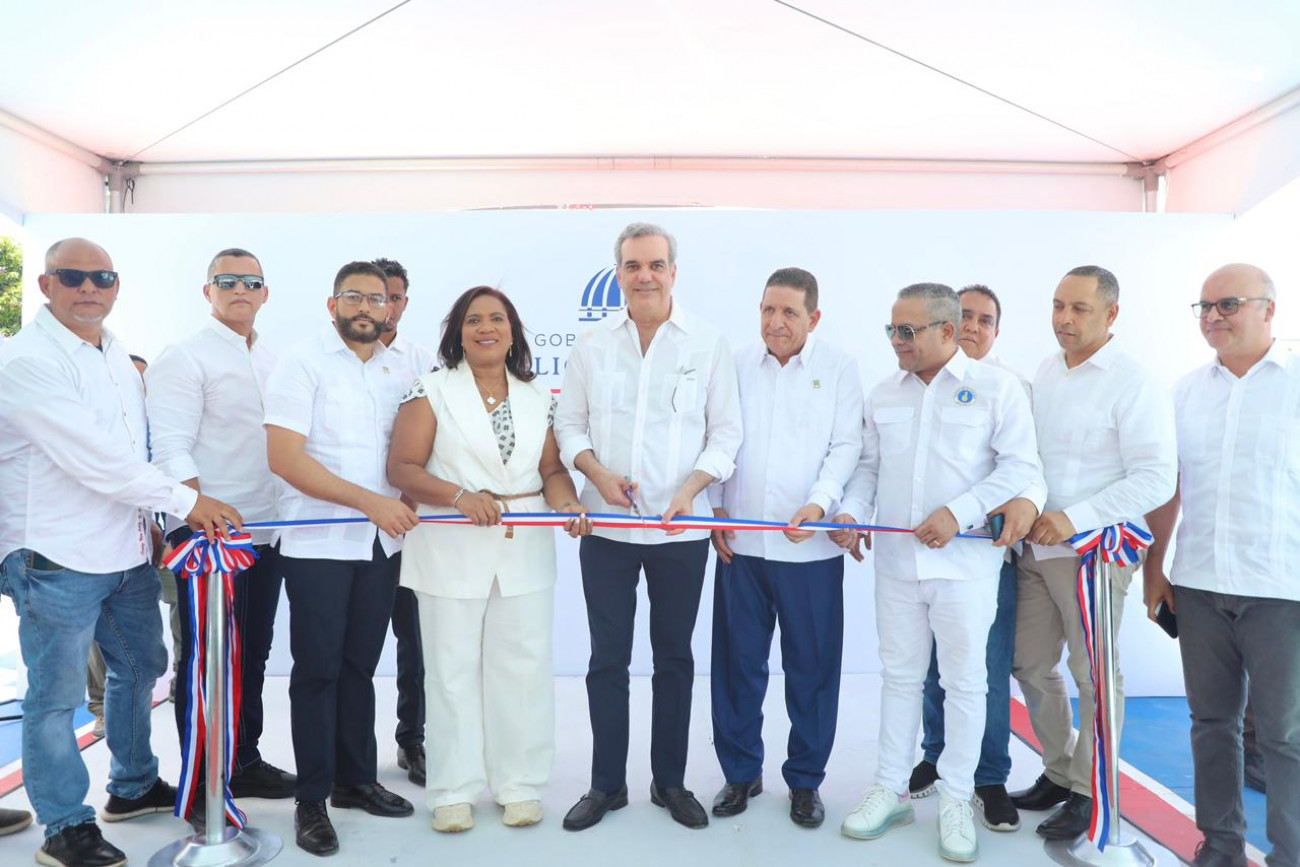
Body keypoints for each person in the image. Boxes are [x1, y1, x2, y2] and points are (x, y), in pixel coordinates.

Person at [0, 237, 242, 867]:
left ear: (115, 286)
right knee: (54, 698)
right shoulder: (27, 360)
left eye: (102, 277)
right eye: (72, 275)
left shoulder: (113, 353)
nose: (89, 287)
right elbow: (95, 460)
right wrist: (189, 503)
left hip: (126, 550)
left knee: (141, 667)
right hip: (54, 557)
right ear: (46, 284)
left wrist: (153, 522)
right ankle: (64, 828)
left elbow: (134, 451)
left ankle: (132, 787)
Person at [831, 282, 1038, 863]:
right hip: (897, 566)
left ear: (947, 331)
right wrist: (851, 513)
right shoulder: (883, 393)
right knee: (899, 677)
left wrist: (960, 512)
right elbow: (868, 470)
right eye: (892, 330)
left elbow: (1021, 469)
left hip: (966, 568)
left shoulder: (997, 389)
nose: (896, 341)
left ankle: (956, 798)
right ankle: (891, 790)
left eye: (908, 331)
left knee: (966, 683)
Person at [555, 222, 743, 831]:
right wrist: (596, 473)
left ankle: (670, 783)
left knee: (674, 660)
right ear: (618, 275)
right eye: (633, 266)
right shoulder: (591, 345)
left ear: (673, 272)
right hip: (607, 531)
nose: (645, 276)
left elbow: (726, 434)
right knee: (606, 661)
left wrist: (692, 490)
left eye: (656, 265)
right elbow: (569, 425)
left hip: (679, 534)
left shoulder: (707, 344)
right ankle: (606, 785)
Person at [389, 285, 591, 832]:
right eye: (474, 319)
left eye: (497, 319)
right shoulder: (430, 390)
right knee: (451, 672)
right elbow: (402, 468)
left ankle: (519, 784)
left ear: (512, 331)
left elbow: (552, 471)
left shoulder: (536, 397)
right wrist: (458, 496)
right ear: (457, 332)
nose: (486, 328)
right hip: (449, 548)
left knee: (522, 669)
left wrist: (568, 503)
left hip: (523, 549)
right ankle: (453, 790)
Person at [1009, 265, 1177, 840]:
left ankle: (1090, 790)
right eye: (1058, 305)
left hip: (1094, 552)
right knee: (1029, 663)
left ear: (1111, 314)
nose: (1064, 318)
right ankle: (1060, 771)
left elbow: (1156, 478)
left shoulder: (1134, 383)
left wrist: (1073, 518)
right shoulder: (1046, 370)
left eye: (1079, 308)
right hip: (1037, 548)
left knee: (1094, 675)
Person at [264, 260, 421, 856]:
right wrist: (371, 503)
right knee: (317, 672)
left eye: (377, 299)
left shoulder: (400, 368)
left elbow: (406, 454)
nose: (366, 308)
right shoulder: (301, 362)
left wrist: (402, 502)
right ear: (332, 305)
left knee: (359, 667)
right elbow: (285, 458)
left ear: (390, 307)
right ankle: (311, 799)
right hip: (318, 543)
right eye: (353, 297)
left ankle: (355, 780)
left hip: (381, 544)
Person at [1144, 264, 1298, 867]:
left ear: (1269, 309)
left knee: (1284, 734)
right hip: (1199, 584)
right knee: (1211, 723)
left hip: (1280, 586)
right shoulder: (1184, 393)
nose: (1212, 317)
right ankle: (1221, 844)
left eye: (1227, 304)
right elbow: (1168, 488)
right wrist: (1155, 569)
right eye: (1204, 307)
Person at [707, 267, 862, 829]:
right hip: (742, 547)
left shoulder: (839, 368)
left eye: (789, 312)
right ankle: (740, 772)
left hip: (809, 552)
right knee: (736, 667)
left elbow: (846, 447)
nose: (776, 322)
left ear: (813, 318)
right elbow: (717, 436)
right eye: (768, 310)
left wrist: (819, 504)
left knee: (811, 670)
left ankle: (805, 781)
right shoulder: (735, 363)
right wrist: (715, 509)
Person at [146, 248, 296, 814]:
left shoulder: (276, 359)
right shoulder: (184, 357)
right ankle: (204, 783)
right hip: (209, 537)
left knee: (251, 655)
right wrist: (197, 509)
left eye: (251, 282)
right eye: (227, 281)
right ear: (207, 291)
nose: (240, 290)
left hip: (267, 534)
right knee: (207, 662)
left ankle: (243, 761)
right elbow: (169, 445)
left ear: (265, 293)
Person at [909, 285, 1034, 833]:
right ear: (944, 323)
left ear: (996, 332)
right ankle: (936, 754)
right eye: (963, 316)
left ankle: (988, 777)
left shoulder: (1011, 388)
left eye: (984, 320)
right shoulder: (919, 383)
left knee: (985, 670)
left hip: (987, 559)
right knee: (932, 668)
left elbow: (1027, 470)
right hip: (925, 559)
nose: (972, 327)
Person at [373, 257, 438, 788]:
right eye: (376, 297)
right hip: (354, 527)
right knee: (352, 649)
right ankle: (348, 758)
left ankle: (412, 740)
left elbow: (438, 445)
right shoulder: (327, 362)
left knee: (416, 644)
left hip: (414, 527)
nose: (385, 307)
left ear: (404, 302)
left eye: (394, 297)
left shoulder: (425, 364)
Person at [85, 352, 152, 742]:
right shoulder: (99, 428)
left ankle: (178, 685)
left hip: (158, 538)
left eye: (143, 382)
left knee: (159, 641)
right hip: (105, 547)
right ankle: (100, 707)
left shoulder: (157, 427)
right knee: (102, 634)